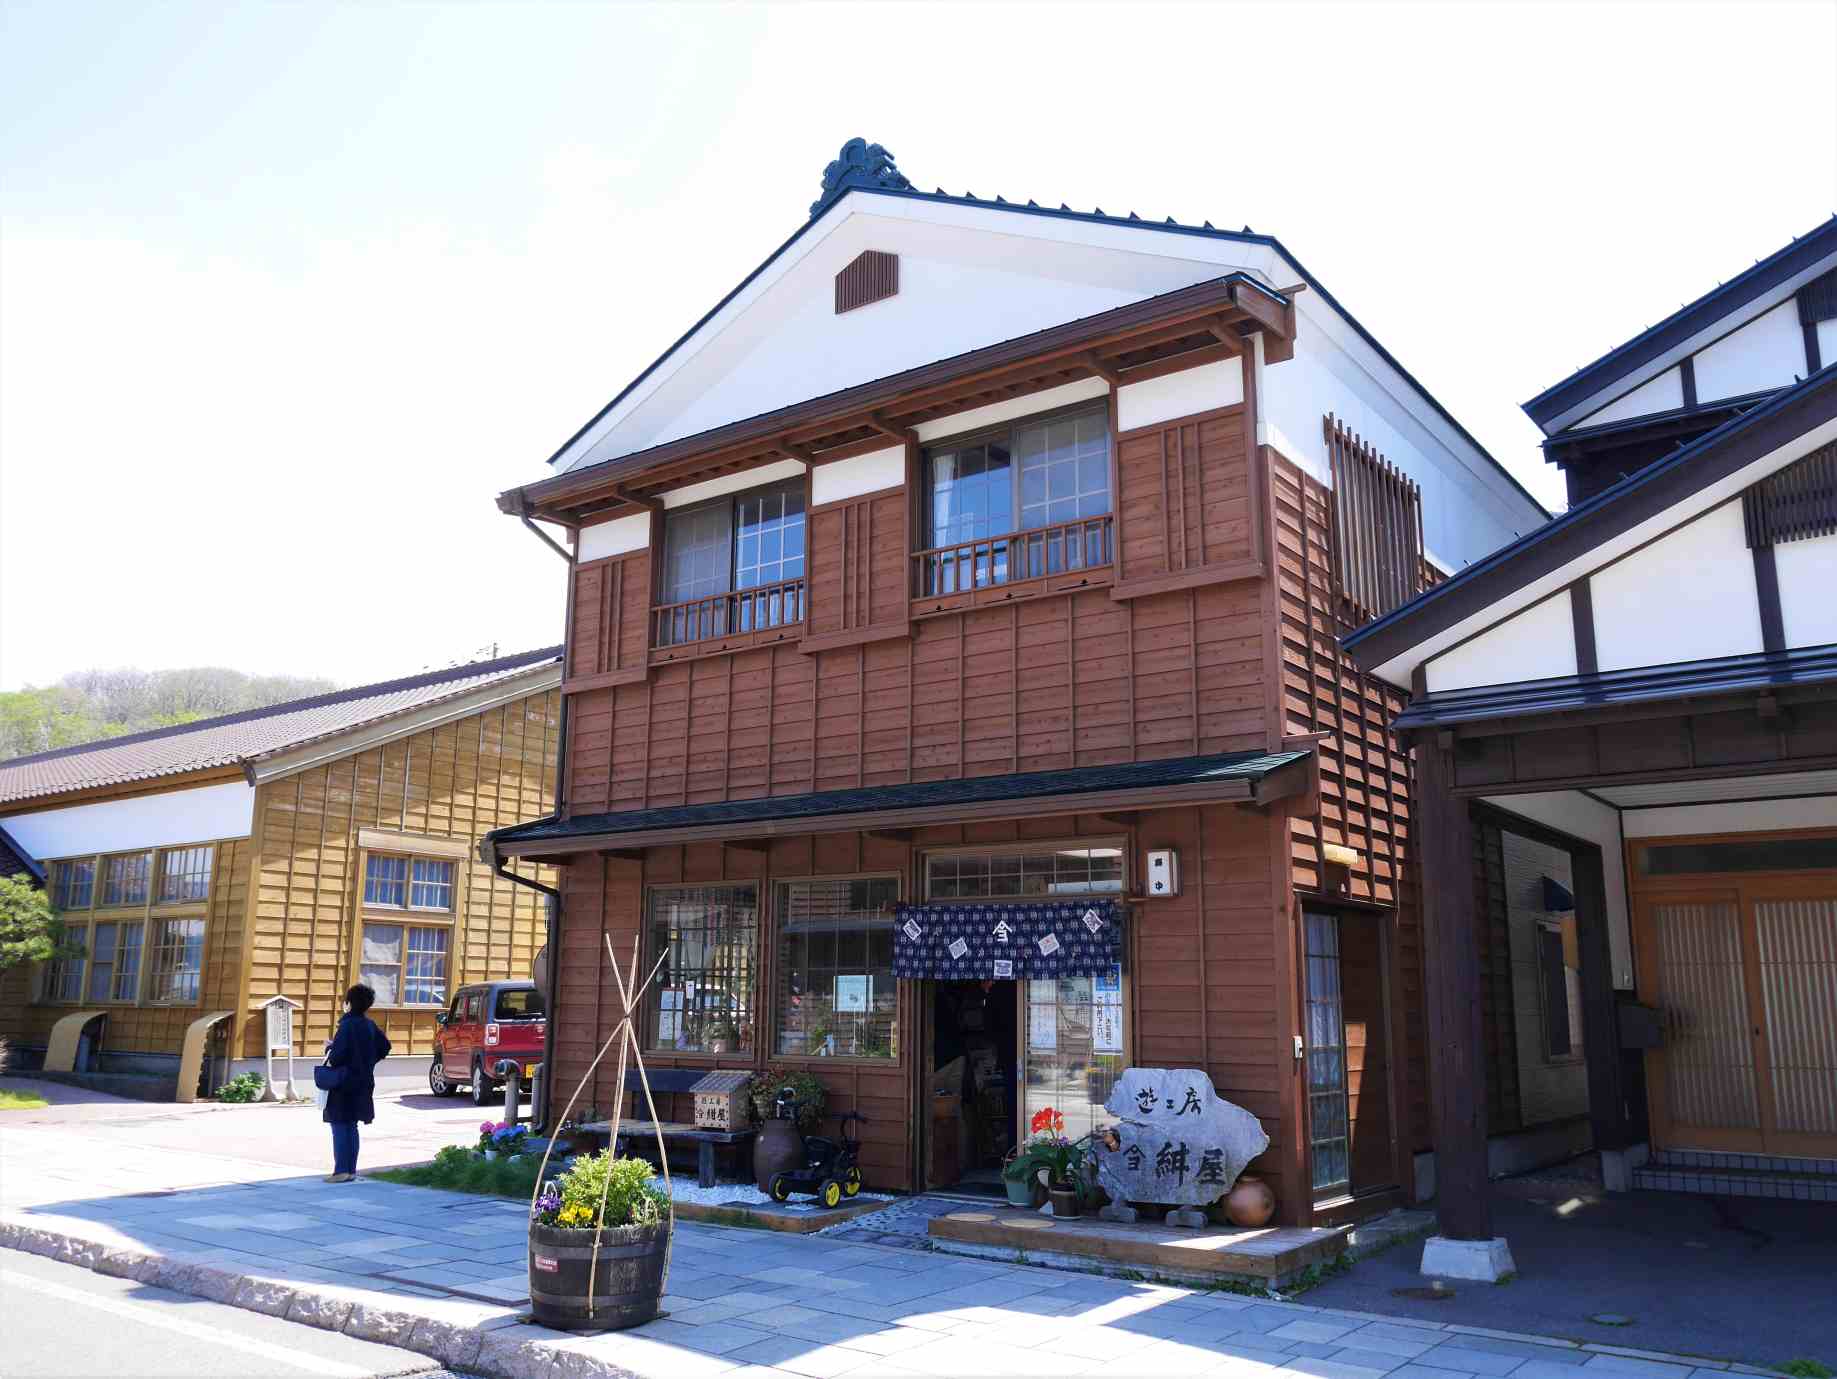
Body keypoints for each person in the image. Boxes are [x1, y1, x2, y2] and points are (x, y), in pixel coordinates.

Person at [321, 983, 391, 1182]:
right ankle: (350, 1170)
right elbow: (385, 1046)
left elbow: (337, 1057)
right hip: (364, 1081)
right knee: (352, 1125)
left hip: (344, 1082)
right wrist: (368, 1060)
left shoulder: (347, 1025)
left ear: (349, 1003)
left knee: (339, 1123)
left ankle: (341, 1171)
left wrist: (329, 1048)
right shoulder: (369, 1025)